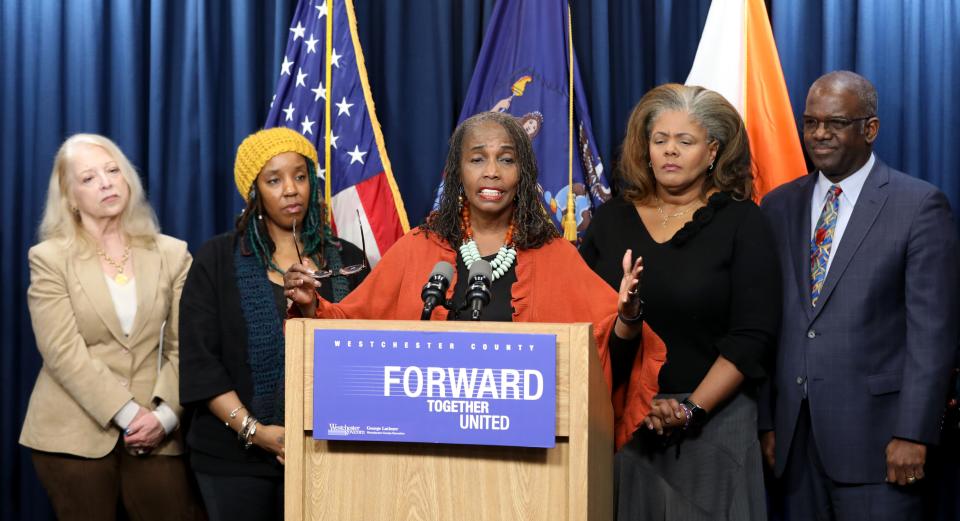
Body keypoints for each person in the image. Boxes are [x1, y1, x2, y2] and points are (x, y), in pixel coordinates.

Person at [284, 111, 667, 450]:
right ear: (456, 172)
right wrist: (309, 306)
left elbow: (603, 354)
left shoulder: (555, 256)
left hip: (526, 463)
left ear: (524, 173)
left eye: (506, 159)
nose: (492, 172)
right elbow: (354, 328)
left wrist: (628, 316)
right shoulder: (418, 248)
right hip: (423, 451)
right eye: (477, 158)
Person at [759, 71, 959, 520]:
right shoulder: (777, 206)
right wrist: (767, 422)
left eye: (835, 123)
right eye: (810, 123)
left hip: (881, 445)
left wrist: (915, 432)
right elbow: (767, 323)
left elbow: (933, 335)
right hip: (792, 445)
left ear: (870, 129)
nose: (819, 134)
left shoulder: (919, 205)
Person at [580, 84, 781, 520]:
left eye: (684, 141)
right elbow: (584, 326)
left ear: (712, 152)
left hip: (715, 428)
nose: (669, 152)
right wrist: (637, 401)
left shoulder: (743, 222)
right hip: (623, 423)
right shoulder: (611, 221)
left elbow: (752, 338)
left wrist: (690, 410)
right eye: (659, 140)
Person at [178, 127, 369, 520]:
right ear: (254, 191)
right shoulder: (217, 258)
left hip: (330, 453)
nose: (290, 189)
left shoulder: (347, 259)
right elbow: (201, 363)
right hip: (233, 459)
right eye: (274, 179)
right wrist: (255, 431)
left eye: (300, 176)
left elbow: (364, 356)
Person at [21, 134, 203, 520]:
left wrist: (165, 416)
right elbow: (61, 351)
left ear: (128, 179)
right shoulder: (49, 258)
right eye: (88, 178)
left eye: (112, 170)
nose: (105, 182)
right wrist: (127, 414)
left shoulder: (173, 253)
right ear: (69, 198)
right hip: (71, 435)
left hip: (159, 431)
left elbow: (186, 345)